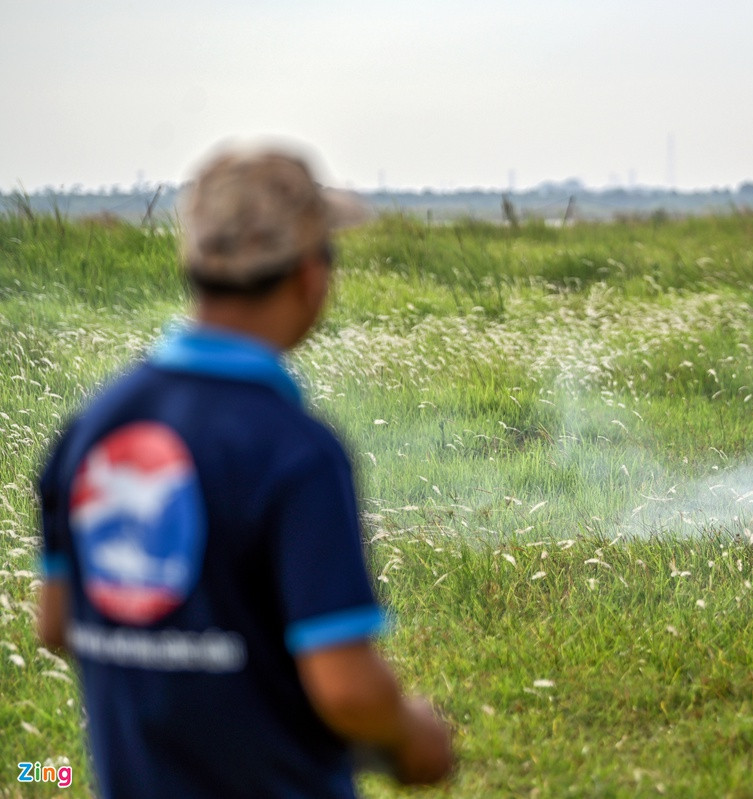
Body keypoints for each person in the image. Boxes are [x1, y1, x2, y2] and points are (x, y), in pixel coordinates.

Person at [37, 145, 453, 798]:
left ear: (195, 265)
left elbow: (56, 623)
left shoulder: (92, 427)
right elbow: (346, 688)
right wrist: (410, 735)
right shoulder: (296, 450)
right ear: (311, 276)